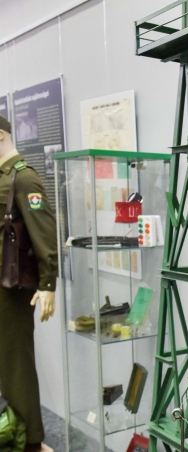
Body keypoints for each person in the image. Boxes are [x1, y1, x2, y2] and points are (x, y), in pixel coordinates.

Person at [0, 114, 58, 452]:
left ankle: (30, 441)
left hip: (11, 288)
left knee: (15, 362)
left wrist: (48, 284)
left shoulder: (23, 178)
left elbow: (44, 232)